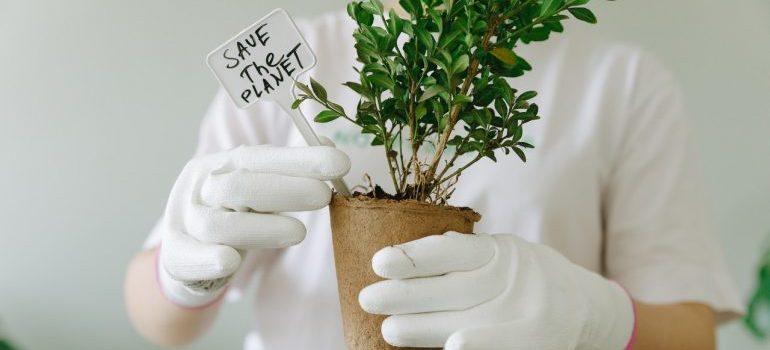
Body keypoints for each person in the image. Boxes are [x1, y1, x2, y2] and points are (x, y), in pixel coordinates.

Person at [124, 3, 744, 349]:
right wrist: (183, 270)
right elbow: (160, 322)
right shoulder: (297, 64)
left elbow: (691, 334)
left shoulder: (622, 83)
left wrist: (596, 318)